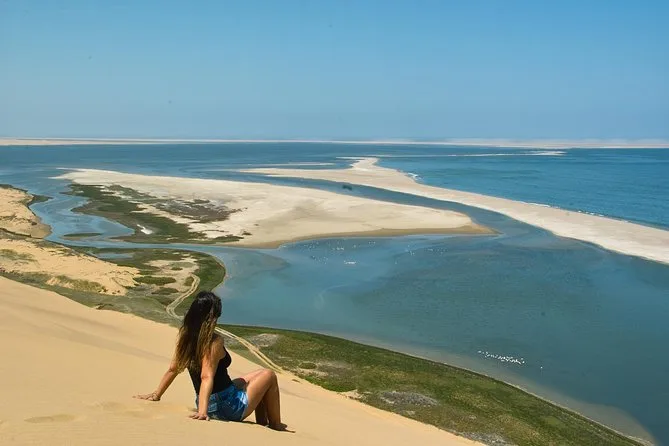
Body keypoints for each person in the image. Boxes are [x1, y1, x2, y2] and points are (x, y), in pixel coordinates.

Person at [134, 291, 284, 429]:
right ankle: (276, 425)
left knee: (250, 379)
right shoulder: (214, 341)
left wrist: (156, 394)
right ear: (212, 317)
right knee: (269, 375)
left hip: (205, 400)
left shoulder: (186, 336)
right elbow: (206, 376)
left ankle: (262, 423)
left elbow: (173, 369)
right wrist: (202, 412)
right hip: (227, 407)